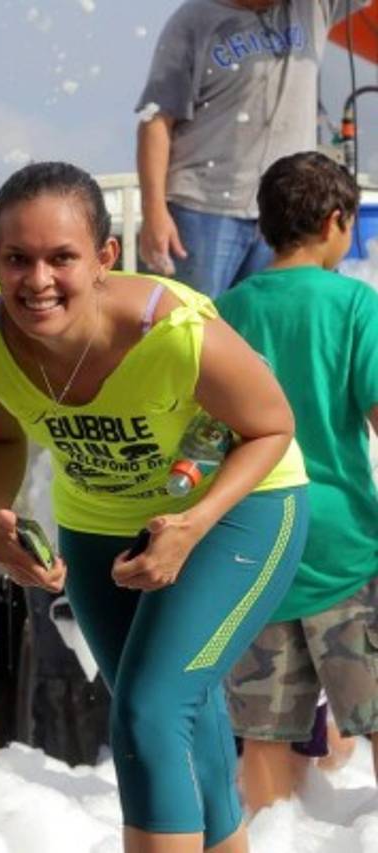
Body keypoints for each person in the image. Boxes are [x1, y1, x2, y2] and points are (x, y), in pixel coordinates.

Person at [0, 161, 309, 852]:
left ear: (105, 257)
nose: (37, 280)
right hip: (96, 526)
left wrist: (192, 524)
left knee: (152, 710)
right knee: (175, 709)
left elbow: (273, 426)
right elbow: (0, 436)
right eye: (17, 258)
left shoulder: (171, 330)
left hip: (238, 511)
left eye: (62, 257)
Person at [214, 151, 378, 810]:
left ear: (263, 228)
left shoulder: (221, 311)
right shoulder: (354, 304)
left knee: (263, 737)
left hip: (256, 548)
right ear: (338, 221)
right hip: (343, 549)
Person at [135, 0, 361, 298]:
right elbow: (156, 119)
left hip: (284, 212)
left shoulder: (312, 7)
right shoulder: (193, 20)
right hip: (202, 210)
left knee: (265, 335)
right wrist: (154, 211)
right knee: (188, 327)